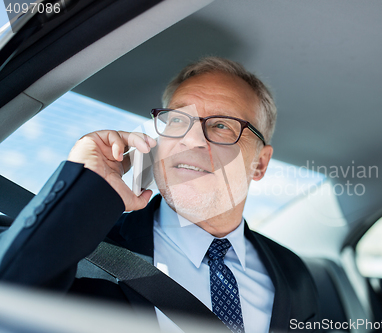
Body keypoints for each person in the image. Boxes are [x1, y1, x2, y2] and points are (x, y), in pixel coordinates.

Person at [0, 57, 319, 332]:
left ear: (260, 164)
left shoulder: (293, 273)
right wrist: (84, 185)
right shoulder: (84, 248)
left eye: (222, 125)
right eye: (178, 120)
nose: (192, 141)